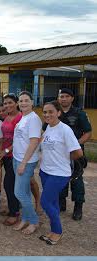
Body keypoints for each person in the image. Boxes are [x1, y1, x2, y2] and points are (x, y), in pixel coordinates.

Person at [38, 100, 84, 245]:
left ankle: (57, 231)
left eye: (51, 111)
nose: (47, 114)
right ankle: (53, 230)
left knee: (45, 202)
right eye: (45, 112)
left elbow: (78, 152)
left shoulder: (65, 129)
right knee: (52, 201)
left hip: (59, 173)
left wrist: (64, 158)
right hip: (45, 171)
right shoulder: (48, 128)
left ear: (58, 113)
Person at [55, 88, 92, 221]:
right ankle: (61, 203)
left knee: (76, 180)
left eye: (66, 96)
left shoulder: (79, 114)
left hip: (75, 154)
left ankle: (78, 207)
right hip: (59, 153)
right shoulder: (55, 112)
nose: (63, 99)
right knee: (60, 177)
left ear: (72, 98)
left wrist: (75, 144)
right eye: (61, 96)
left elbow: (88, 133)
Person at [12, 91, 42, 236]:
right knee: (24, 192)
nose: (23, 103)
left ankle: (34, 221)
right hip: (17, 158)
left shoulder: (34, 119)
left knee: (19, 192)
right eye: (21, 100)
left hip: (26, 161)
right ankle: (25, 218)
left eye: (26, 100)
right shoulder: (23, 117)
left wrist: (23, 163)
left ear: (32, 102)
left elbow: (34, 141)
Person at [0, 94, 23, 226]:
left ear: (17, 103)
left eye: (10, 103)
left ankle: (15, 213)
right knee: (11, 183)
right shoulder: (7, 116)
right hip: (6, 155)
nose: (7, 105)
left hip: (16, 155)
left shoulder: (21, 118)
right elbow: (3, 137)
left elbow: (20, 139)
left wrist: (7, 150)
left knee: (9, 183)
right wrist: (1, 151)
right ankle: (13, 208)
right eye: (5, 103)